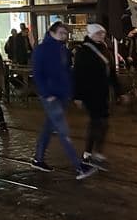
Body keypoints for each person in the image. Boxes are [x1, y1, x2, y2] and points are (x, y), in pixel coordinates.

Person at [30, 21, 96, 180]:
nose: (64, 36)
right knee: (63, 130)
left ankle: (38, 159)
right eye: (61, 33)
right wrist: (46, 93)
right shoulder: (41, 50)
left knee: (48, 128)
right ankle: (79, 167)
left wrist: (71, 92)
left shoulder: (64, 50)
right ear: (52, 32)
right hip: (51, 97)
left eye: (65, 33)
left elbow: (67, 72)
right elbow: (37, 74)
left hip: (62, 95)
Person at [73, 23, 121, 170]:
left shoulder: (105, 49)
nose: (101, 36)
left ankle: (97, 153)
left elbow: (111, 72)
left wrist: (119, 91)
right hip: (90, 92)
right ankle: (88, 154)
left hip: (103, 92)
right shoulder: (83, 50)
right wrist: (78, 96)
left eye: (102, 33)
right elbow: (78, 74)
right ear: (91, 34)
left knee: (103, 123)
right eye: (98, 33)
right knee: (96, 122)